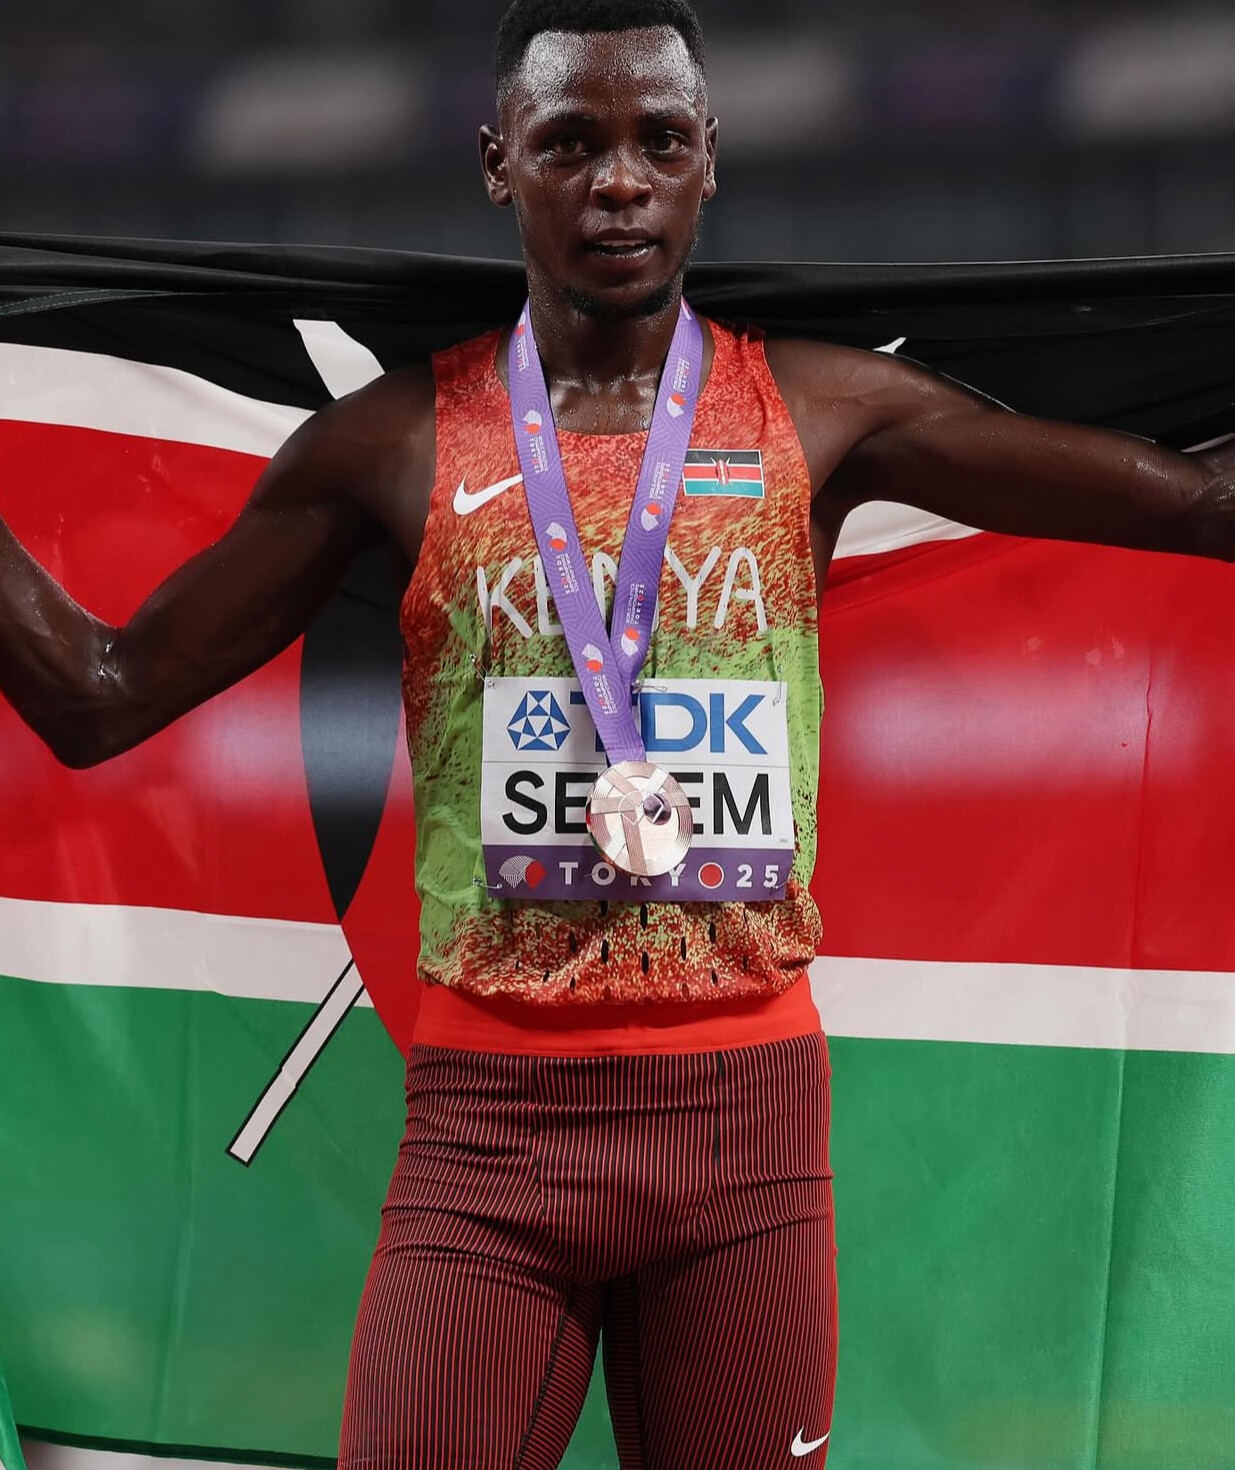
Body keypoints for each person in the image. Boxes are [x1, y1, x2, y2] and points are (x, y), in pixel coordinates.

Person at [1, 1, 1232, 1466]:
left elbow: (1198, 507)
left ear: (711, 159)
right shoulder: (392, 442)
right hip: (487, 1142)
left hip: (745, 1141)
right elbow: (100, 693)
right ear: (497, 163)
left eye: (658, 140)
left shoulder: (820, 414)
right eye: (571, 143)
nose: (620, 182)